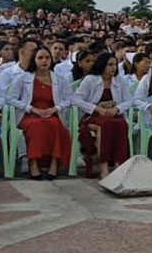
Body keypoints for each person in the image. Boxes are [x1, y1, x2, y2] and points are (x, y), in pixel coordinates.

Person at [9, 46, 72, 179]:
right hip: (29, 115)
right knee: (36, 125)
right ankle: (33, 164)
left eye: (47, 58)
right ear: (34, 60)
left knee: (55, 125)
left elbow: (69, 99)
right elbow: (11, 98)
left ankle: (54, 165)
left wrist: (56, 108)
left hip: (51, 114)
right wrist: (31, 109)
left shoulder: (59, 79)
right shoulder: (23, 77)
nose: (44, 61)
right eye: (40, 58)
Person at [73, 52, 133, 178]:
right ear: (102, 65)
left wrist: (117, 108)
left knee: (121, 124)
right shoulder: (90, 80)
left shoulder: (119, 80)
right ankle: (104, 166)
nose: (114, 68)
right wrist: (96, 108)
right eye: (110, 65)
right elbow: (76, 99)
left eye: (115, 65)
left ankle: (118, 165)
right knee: (106, 125)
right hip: (93, 117)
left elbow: (129, 100)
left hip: (114, 116)